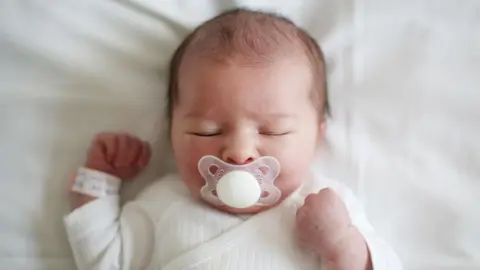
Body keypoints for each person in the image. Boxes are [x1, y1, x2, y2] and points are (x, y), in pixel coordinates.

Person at [64, 8, 402, 270]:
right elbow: (105, 260)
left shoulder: (325, 207)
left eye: (273, 130)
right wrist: (97, 179)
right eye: (207, 131)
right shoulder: (164, 203)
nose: (239, 154)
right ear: (171, 133)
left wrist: (342, 244)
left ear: (316, 137)